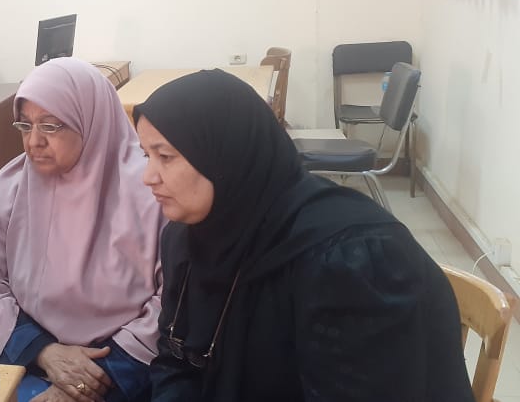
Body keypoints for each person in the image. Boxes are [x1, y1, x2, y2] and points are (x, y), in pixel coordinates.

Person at [134, 69, 474, 401]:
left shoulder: (348, 263)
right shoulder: (188, 237)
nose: (148, 177)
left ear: (225, 154)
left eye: (165, 156)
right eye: (147, 155)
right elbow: (174, 360)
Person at [0, 58, 167, 402]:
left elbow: (171, 301)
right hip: (33, 359)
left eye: (50, 126)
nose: (34, 142)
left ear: (91, 123)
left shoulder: (152, 190)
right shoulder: (10, 186)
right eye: (25, 125)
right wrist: (45, 352)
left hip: (127, 371)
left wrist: (89, 381)